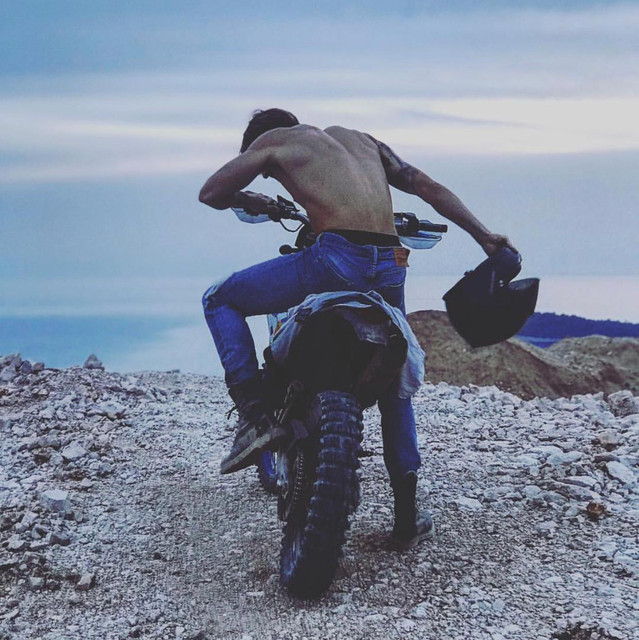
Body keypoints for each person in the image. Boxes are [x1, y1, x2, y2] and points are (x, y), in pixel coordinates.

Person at [199, 108, 513, 549]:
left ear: (261, 139)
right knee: (395, 378)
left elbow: (212, 193)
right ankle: (407, 516)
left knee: (220, 299)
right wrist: (486, 237)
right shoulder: (362, 141)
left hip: (336, 258)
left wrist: (251, 194)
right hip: (391, 264)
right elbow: (424, 185)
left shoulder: (275, 141)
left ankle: (254, 416)